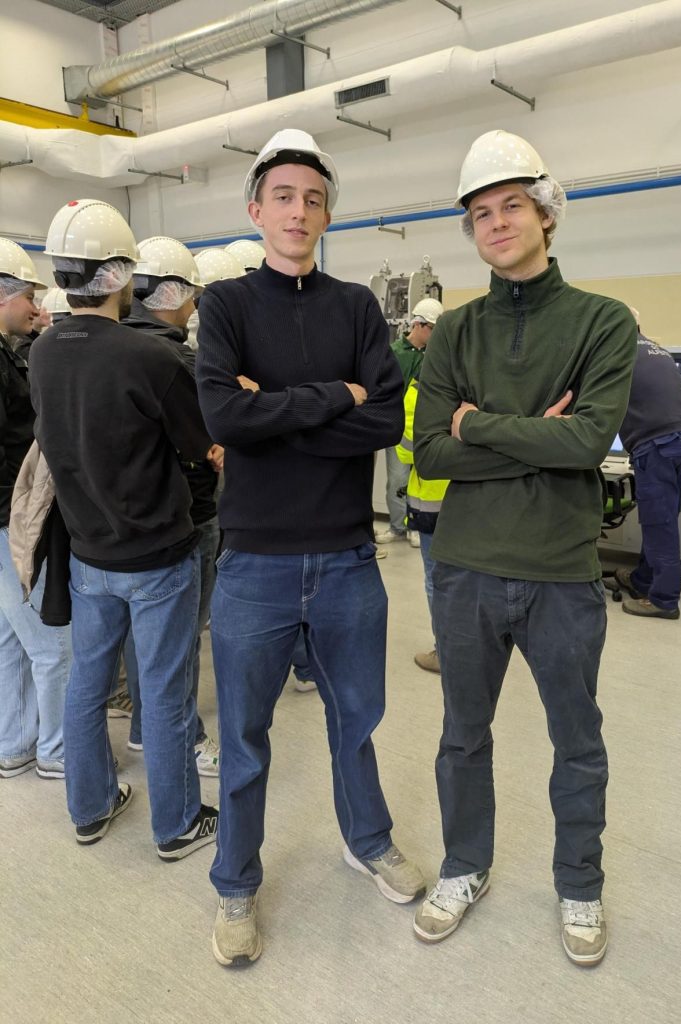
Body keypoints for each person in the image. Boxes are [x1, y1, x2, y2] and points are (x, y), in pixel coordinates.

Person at [196, 128, 424, 967]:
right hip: (253, 563)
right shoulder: (226, 306)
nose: (299, 211)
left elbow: (384, 421)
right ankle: (234, 884)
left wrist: (275, 412)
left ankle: (368, 842)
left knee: (355, 720)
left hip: (345, 559)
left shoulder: (355, 307)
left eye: (314, 199)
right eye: (284, 197)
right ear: (256, 210)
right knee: (244, 738)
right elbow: (225, 417)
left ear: (328, 215)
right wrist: (336, 397)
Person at [412, 130, 637, 965]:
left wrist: (477, 423)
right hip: (465, 567)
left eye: (511, 205)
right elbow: (429, 453)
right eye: (480, 213)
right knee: (461, 736)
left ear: (545, 213)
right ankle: (463, 866)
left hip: (560, 573)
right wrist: (530, 434)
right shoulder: (454, 331)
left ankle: (579, 883)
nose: (497, 222)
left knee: (576, 741)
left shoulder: (601, 322)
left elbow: (584, 443)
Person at [28, 199, 218, 858]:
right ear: (120, 275)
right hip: (158, 555)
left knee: (87, 684)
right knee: (163, 693)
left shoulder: (43, 352)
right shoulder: (149, 357)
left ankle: (91, 806)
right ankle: (177, 824)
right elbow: (201, 447)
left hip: (87, 554)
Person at [119, 235, 222, 774]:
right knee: (180, 641)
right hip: (189, 514)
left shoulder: (112, 345)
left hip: (125, 520)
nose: (195, 305)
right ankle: (185, 739)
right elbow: (206, 442)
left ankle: (143, 725)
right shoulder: (175, 357)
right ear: (173, 292)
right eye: (192, 295)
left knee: (144, 640)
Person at [0, 238, 72, 780]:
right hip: (9, 522)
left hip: (6, 519)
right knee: (53, 645)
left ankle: (16, 744)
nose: (36, 305)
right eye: (28, 295)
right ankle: (59, 752)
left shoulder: (9, 352)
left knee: (11, 640)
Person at [612, 309, 681, 619]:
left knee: (658, 521)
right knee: (663, 515)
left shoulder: (617, 353)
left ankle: (664, 599)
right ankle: (643, 580)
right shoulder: (657, 350)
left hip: (656, 442)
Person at [375, 297, 443, 546]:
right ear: (418, 324)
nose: (435, 335)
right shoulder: (394, 353)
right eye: (432, 329)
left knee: (423, 478)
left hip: (427, 428)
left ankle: (416, 525)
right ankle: (397, 527)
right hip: (398, 428)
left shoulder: (437, 354)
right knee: (398, 479)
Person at [395, 373, 449, 674]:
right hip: (475, 501)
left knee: (437, 581)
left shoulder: (420, 390)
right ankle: (475, 649)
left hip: (431, 501)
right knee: (474, 579)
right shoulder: (481, 383)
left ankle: (445, 652)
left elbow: (406, 450)